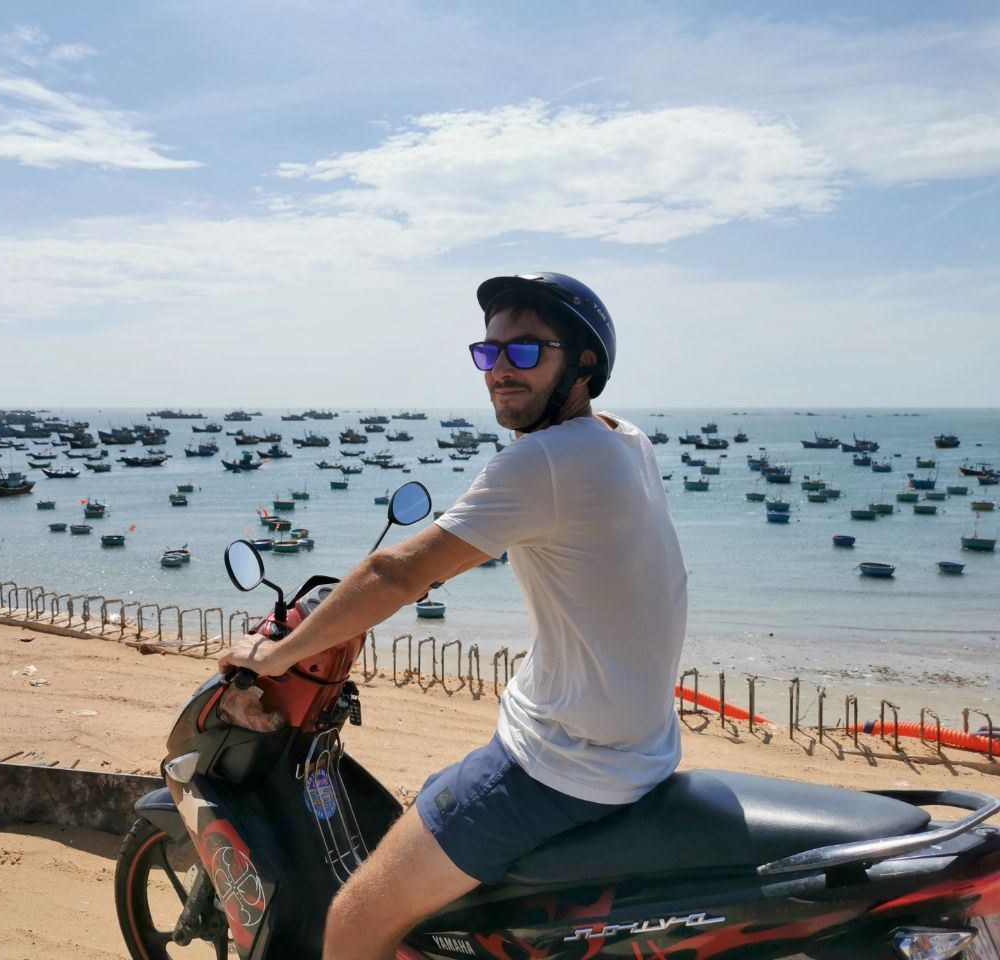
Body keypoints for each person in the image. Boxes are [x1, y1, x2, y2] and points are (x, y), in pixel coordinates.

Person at [220, 272, 687, 960]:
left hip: (561, 765)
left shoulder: (545, 462)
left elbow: (396, 573)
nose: (500, 370)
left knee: (351, 920)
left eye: (525, 352)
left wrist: (275, 656)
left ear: (584, 366)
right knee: (434, 800)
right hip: (642, 744)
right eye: (488, 352)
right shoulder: (625, 441)